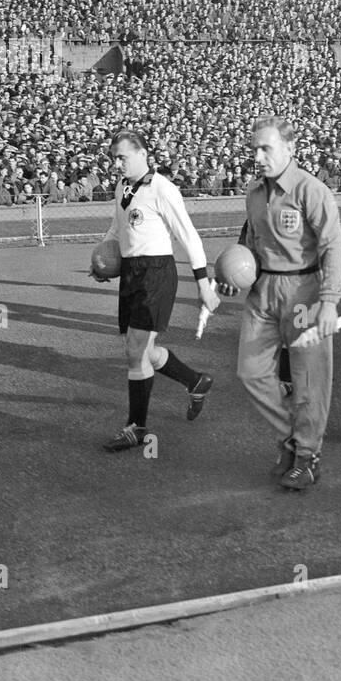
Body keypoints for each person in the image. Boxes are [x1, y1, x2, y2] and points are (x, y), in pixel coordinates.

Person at [232, 115, 341, 491]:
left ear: (290, 148)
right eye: (255, 150)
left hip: (304, 291)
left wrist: (329, 302)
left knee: (308, 379)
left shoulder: (311, 190)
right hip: (263, 291)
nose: (259, 157)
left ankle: (308, 456)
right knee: (250, 372)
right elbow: (250, 242)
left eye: (266, 148)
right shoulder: (253, 192)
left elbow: (333, 248)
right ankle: (291, 438)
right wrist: (235, 275)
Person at [97, 129, 221, 453]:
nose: (117, 163)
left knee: (135, 351)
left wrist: (203, 284)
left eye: (122, 157)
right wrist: (104, 256)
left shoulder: (163, 189)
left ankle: (136, 427)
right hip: (131, 273)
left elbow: (188, 236)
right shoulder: (122, 186)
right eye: (114, 158)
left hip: (156, 274)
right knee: (141, 351)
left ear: (142, 153)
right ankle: (195, 381)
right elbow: (117, 224)